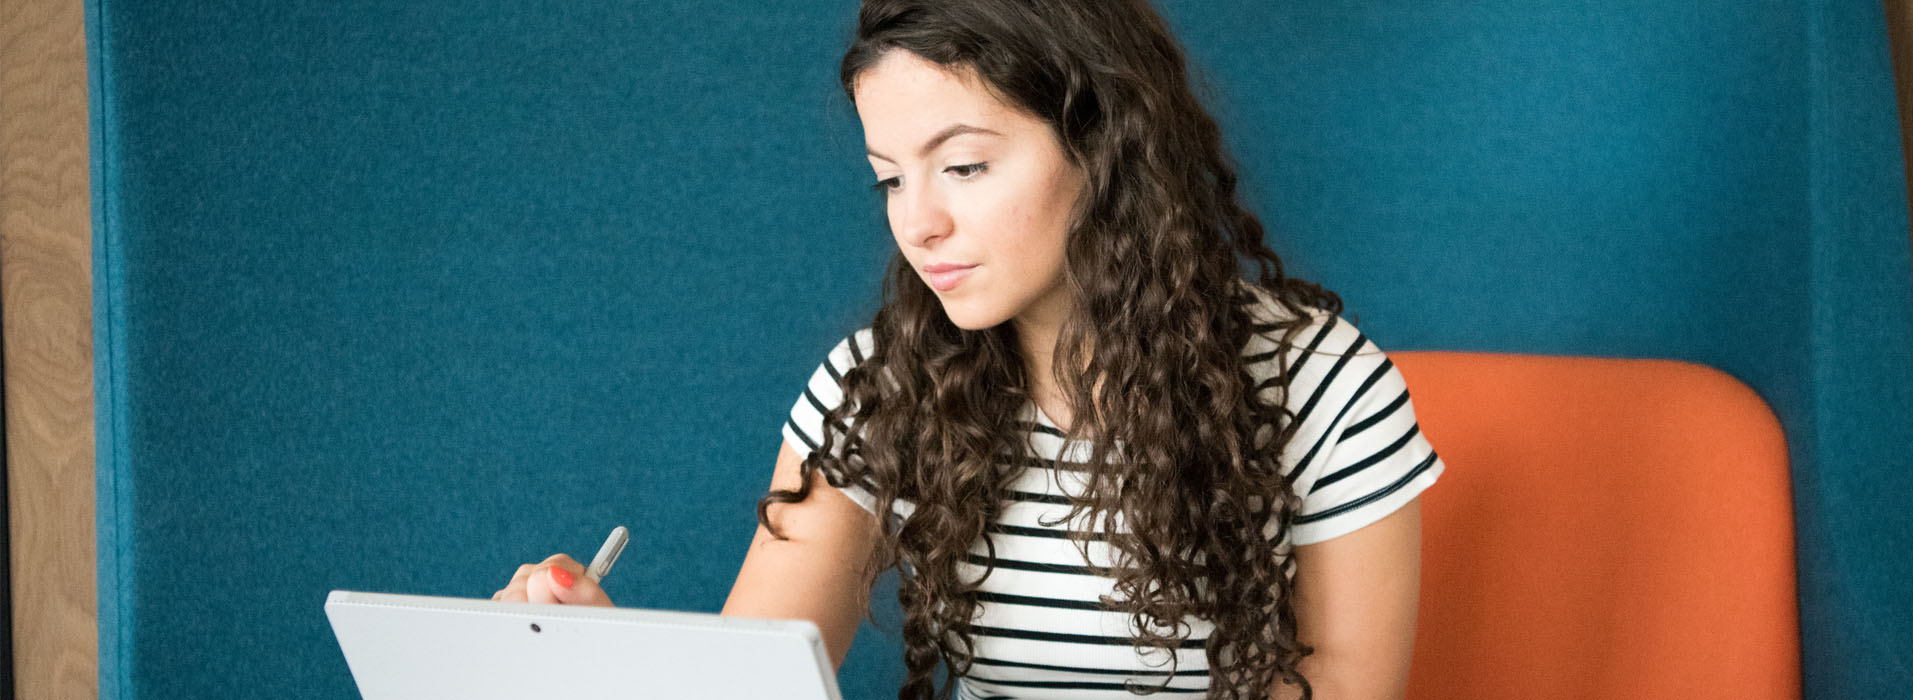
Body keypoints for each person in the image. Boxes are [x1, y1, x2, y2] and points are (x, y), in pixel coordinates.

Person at [493, 1, 1446, 698]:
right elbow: (759, 673)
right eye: (889, 181)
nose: (921, 223)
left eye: (963, 166)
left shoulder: (1319, 382)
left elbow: (1344, 686)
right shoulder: (875, 387)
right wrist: (602, 660)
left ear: (1105, 146)